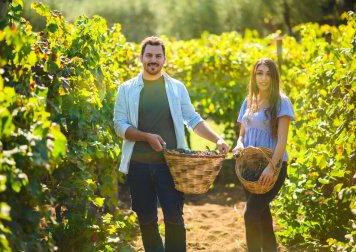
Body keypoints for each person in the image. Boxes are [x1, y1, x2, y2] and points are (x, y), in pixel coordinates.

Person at [113, 36, 230, 252]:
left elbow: (193, 119)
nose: (153, 60)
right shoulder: (126, 89)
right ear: (141, 57)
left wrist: (217, 139)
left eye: (158, 56)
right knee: (146, 221)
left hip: (171, 166)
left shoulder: (176, 88)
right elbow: (119, 126)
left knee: (175, 219)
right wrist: (146, 136)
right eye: (149, 55)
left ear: (165, 59)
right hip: (137, 165)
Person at [232, 58, 295, 252]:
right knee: (262, 216)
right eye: (260, 73)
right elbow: (242, 133)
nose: (264, 78)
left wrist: (272, 166)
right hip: (249, 169)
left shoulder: (281, 102)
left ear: (274, 77)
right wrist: (239, 145)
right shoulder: (248, 101)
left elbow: (283, 138)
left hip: (272, 168)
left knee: (250, 214)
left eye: (268, 73)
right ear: (254, 75)